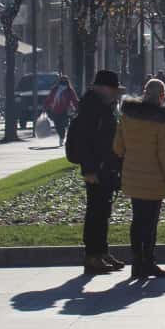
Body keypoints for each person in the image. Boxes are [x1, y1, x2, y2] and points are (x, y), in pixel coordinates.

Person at [113, 78, 165, 279]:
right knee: (150, 224)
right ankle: (148, 261)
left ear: (144, 92)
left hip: (133, 177)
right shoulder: (162, 121)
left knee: (137, 221)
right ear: (162, 96)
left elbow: (118, 147)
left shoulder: (128, 116)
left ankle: (137, 262)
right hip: (154, 180)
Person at [65, 69, 124, 275]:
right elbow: (84, 142)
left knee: (103, 211)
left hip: (105, 167)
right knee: (95, 212)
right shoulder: (91, 109)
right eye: (113, 89)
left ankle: (101, 251)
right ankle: (92, 255)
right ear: (103, 88)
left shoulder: (104, 107)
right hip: (96, 169)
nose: (116, 94)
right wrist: (89, 169)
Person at [42, 75, 78, 144]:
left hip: (65, 110)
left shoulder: (69, 90)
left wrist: (77, 108)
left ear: (67, 82)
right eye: (62, 80)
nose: (63, 82)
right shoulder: (55, 89)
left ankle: (62, 137)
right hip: (55, 110)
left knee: (63, 124)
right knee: (57, 125)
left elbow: (74, 100)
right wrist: (45, 107)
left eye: (65, 81)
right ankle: (61, 136)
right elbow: (49, 98)